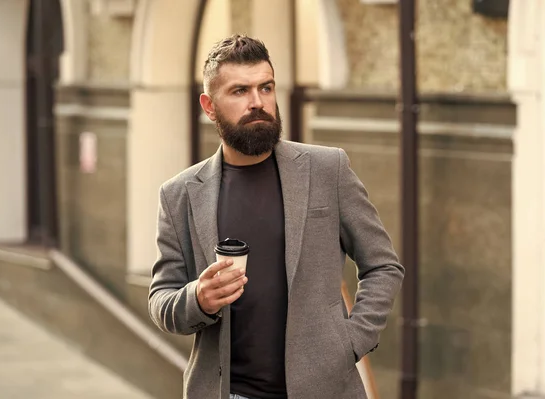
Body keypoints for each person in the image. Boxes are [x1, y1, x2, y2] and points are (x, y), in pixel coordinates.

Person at [148, 34, 404, 399]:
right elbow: (161, 299)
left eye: (265, 88)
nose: (258, 102)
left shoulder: (327, 169)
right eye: (240, 91)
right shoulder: (179, 194)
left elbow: (383, 266)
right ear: (209, 106)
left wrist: (351, 342)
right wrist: (198, 299)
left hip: (326, 389)